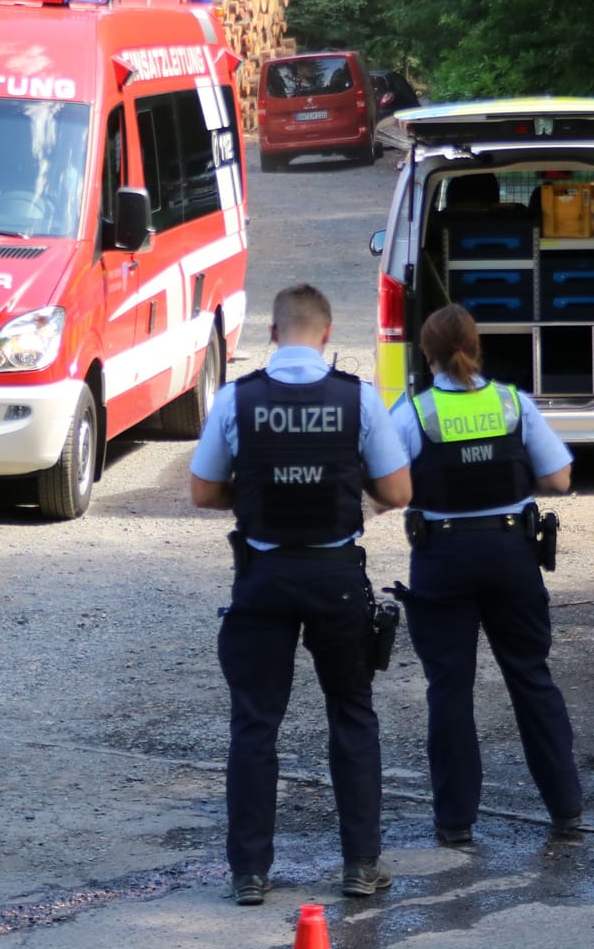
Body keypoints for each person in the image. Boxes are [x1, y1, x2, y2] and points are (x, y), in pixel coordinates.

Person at [190, 284, 413, 907]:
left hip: (262, 579)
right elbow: (397, 490)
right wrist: (344, 482)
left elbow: (204, 493)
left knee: (255, 725)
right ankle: (361, 866)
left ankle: (250, 874)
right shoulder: (357, 398)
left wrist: (258, 490)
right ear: (326, 332)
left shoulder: (238, 397)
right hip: (336, 579)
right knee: (352, 714)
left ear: (272, 332)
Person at [390, 304, 581, 847]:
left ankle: (455, 822)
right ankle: (566, 809)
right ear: (477, 348)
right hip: (510, 552)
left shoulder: (414, 413)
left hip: (442, 559)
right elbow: (560, 477)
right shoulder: (512, 403)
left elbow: (389, 491)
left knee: (449, 688)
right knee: (530, 676)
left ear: (426, 356)